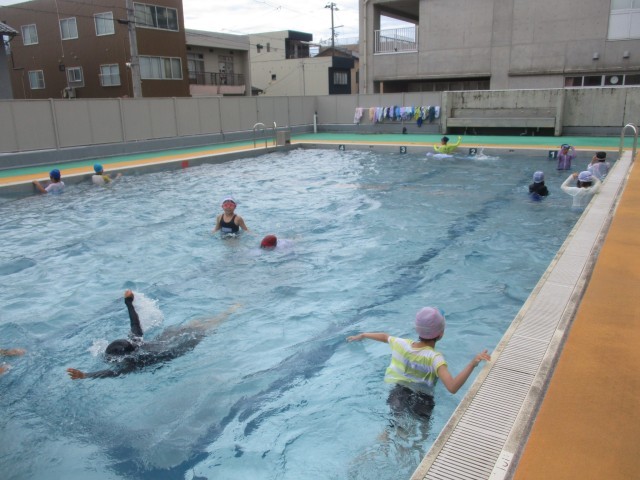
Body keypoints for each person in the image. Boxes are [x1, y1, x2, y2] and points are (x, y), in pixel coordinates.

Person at [346, 307, 490, 419]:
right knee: (421, 436)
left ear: (417, 329)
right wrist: (472, 363)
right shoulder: (435, 358)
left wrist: (363, 335)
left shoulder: (402, 344)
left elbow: (384, 337)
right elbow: (452, 387)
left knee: (394, 425)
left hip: (398, 393)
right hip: (423, 399)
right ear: (441, 334)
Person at [66, 290, 239, 379]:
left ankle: (230, 312)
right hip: (168, 337)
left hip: (177, 348)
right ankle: (229, 310)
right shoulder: (135, 341)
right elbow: (134, 323)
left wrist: (86, 375)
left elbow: (112, 373)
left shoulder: (133, 363)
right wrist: (128, 302)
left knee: (203, 330)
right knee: (195, 324)